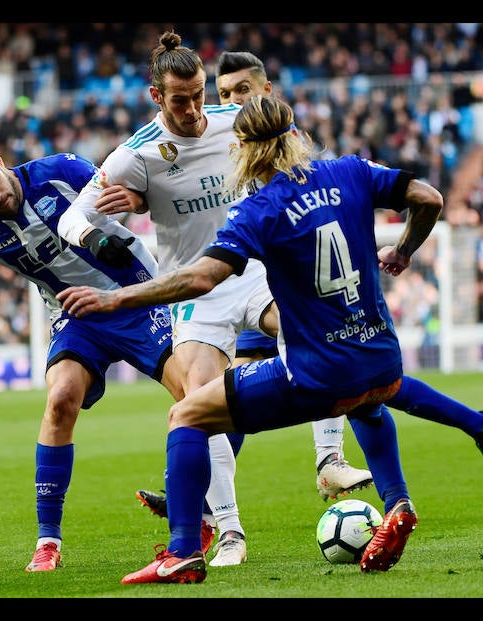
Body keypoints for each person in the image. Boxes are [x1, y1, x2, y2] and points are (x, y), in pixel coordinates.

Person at [57, 95, 483, 583]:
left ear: (246, 151)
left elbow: (201, 279)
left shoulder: (260, 209)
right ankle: (428, 470)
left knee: (187, 414)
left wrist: (115, 300)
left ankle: (184, 550)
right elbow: (429, 198)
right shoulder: (352, 171)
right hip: (380, 355)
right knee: (372, 398)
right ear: (295, 137)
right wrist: (402, 251)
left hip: (315, 374)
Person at [57, 32, 365, 568]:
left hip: (252, 270)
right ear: (157, 97)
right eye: (181, 99)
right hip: (193, 291)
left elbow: (291, 146)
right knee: (199, 403)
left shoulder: (232, 120)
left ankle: (329, 459)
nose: (196, 108)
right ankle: (229, 533)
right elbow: (71, 217)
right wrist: (101, 236)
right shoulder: (138, 154)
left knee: (311, 326)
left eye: (200, 93)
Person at [0, 136, 192, 574]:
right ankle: (48, 541)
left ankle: (193, 508)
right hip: (76, 316)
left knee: (194, 397)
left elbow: (130, 196)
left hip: (134, 297)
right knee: (60, 398)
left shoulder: (60, 171)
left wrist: (136, 200)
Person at [134, 50, 372, 531]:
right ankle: (209, 505)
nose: (231, 101)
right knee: (224, 400)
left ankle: (332, 461)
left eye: (241, 91)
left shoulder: (289, 145)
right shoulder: (224, 137)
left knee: (332, 356)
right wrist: (142, 194)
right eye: (223, 94)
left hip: (266, 280)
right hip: (231, 285)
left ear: (266, 91)